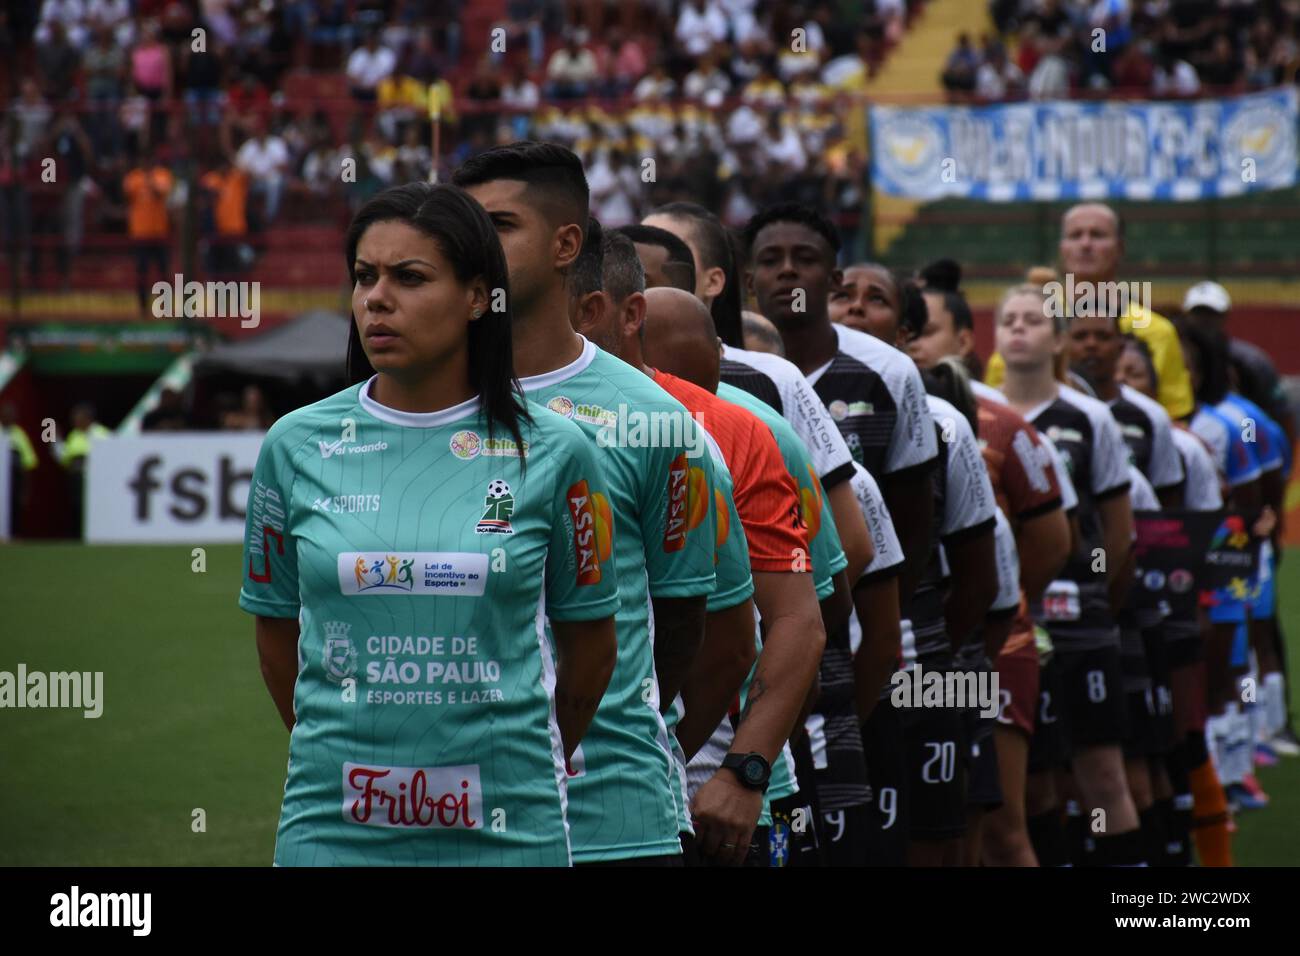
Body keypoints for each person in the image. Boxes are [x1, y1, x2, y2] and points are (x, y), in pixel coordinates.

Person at [239, 181, 620, 866]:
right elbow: (275, 633)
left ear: (478, 296)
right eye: (363, 277)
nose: (376, 299)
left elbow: (591, 649)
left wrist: (521, 753)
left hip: (511, 829)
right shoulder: (294, 445)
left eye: (409, 278)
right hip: (333, 828)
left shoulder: (561, 452)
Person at [453, 142, 718, 866]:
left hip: (614, 823)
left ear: (567, 243)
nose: (473, 244)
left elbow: (690, 623)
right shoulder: (421, 401)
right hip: (449, 816)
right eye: (463, 223)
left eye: (500, 225)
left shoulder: (655, 420)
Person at [908, 288, 1072, 866]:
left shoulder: (994, 425)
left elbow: (1051, 544)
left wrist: (989, 615)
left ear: (961, 340)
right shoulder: (857, 404)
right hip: (897, 661)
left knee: (999, 829)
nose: (914, 342)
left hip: (991, 650)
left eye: (925, 330)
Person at [995, 283, 1145, 866]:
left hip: (1080, 625)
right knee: (1032, 788)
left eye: (1032, 320)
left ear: (1057, 339)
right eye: (1009, 318)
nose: (1018, 329)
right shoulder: (980, 411)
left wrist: (1093, 598)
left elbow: (1118, 532)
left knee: (1102, 776)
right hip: (1009, 627)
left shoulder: (1090, 419)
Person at [984, 203, 1194, 421]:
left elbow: (1176, 420)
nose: (1085, 244)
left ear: (1120, 248)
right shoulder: (1028, 327)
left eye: (1097, 235)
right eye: (1075, 235)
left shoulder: (1156, 331)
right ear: (1062, 249)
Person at [123, 150, 174, 316]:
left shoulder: (162, 175)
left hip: (159, 232)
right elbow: (126, 195)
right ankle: (143, 308)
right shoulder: (133, 178)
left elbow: (161, 193)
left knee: (163, 272)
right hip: (140, 233)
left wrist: (150, 180)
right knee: (142, 272)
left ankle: (166, 308)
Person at [1, 402, 37, 536]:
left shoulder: (20, 435)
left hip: (14, 479)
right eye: (6, 415)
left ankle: (13, 537)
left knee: (14, 509)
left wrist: (25, 490)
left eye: (11, 416)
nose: (8, 418)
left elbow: (28, 463)